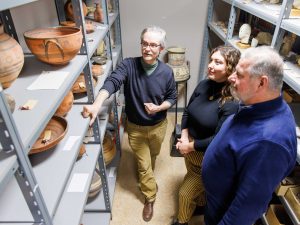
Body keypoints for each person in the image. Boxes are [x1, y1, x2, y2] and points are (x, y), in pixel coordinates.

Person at [82, 26, 177, 222]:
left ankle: (147, 177)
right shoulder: (128, 65)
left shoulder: (167, 72)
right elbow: (113, 81)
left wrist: (160, 108)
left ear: (161, 48)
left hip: (159, 126)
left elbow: (172, 97)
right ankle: (150, 196)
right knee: (143, 164)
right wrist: (97, 103)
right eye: (144, 43)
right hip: (136, 128)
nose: (147, 48)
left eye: (153, 45)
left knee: (152, 156)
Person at [202, 46, 297, 225]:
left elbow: (245, 209)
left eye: (239, 75)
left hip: (223, 213)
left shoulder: (269, 143)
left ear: (262, 83)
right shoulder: (259, 103)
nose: (231, 78)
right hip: (216, 200)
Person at [172, 46, 241, 225]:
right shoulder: (204, 84)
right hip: (191, 149)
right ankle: (201, 203)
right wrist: (185, 135)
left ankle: (181, 222)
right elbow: (187, 111)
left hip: (208, 157)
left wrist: (190, 146)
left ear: (231, 68)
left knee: (184, 194)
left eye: (218, 62)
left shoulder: (231, 102)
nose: (210, 65)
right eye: (211, 60)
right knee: (195, 181)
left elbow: (219, 140)